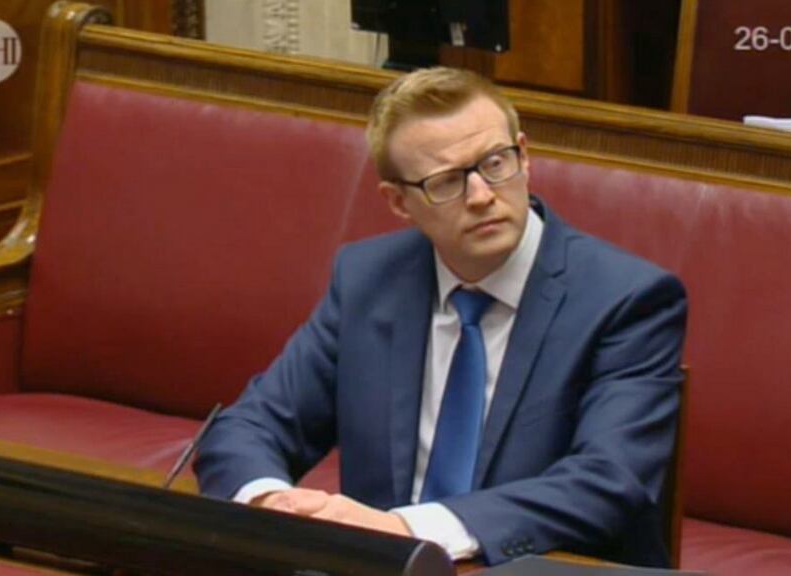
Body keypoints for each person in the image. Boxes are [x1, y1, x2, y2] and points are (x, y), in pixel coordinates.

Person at [193, 67, 687, 567]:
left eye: (495, 163)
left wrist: (405, 528)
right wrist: (272, 503)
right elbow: (249, 428)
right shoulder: (368, 280)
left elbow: (608, 482)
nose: (481, 196)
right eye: (446, 181)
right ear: (399, 202)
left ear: (525, 155)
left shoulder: (627, 299)